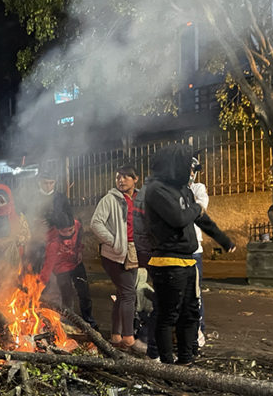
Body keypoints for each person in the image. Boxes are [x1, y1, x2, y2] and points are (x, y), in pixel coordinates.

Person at [145, 145, 235, 365]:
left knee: (190, 312)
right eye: (189, 168)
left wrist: (224, 240)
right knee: (168, 315)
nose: (192, 173)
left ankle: (186, 360)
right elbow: (179, 217)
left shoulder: (182, 190)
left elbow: (200, 218)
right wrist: (196, 207)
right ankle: (167, 364)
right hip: (168, 262)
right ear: (175, 167)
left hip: (188, 260)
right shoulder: (156, 189)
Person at [90, 166, 141, 352]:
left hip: (134, 252)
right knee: (128, 293)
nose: (121, 180)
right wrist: (114, 241)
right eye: (118, 177)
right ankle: (129, 339)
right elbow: (95, 223)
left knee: (122, 294)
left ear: (136, 179)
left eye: (126, 177)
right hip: (114, 254)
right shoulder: (109, 199)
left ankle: (116, 336)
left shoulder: (140, 198)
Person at [38, 214, 97, 328]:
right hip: (61, 268)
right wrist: (38, 287)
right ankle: (68, 325)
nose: (69, 234)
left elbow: (80, 235)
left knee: (84, 293)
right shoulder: (53, 243)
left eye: (71, 230)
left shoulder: (77, 225)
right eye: (64, 232)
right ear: (58, 230)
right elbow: (47, 268)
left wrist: (79, 249)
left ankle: (89, 322)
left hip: (76, 263)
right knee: (67, 297)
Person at [189, 157, 209, 347]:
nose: (191, 172)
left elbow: (200, 210)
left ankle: (199, 331)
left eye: (193, 170)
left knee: (195, 293)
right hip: (175, 250)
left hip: (194, 249)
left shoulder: (198, 188)